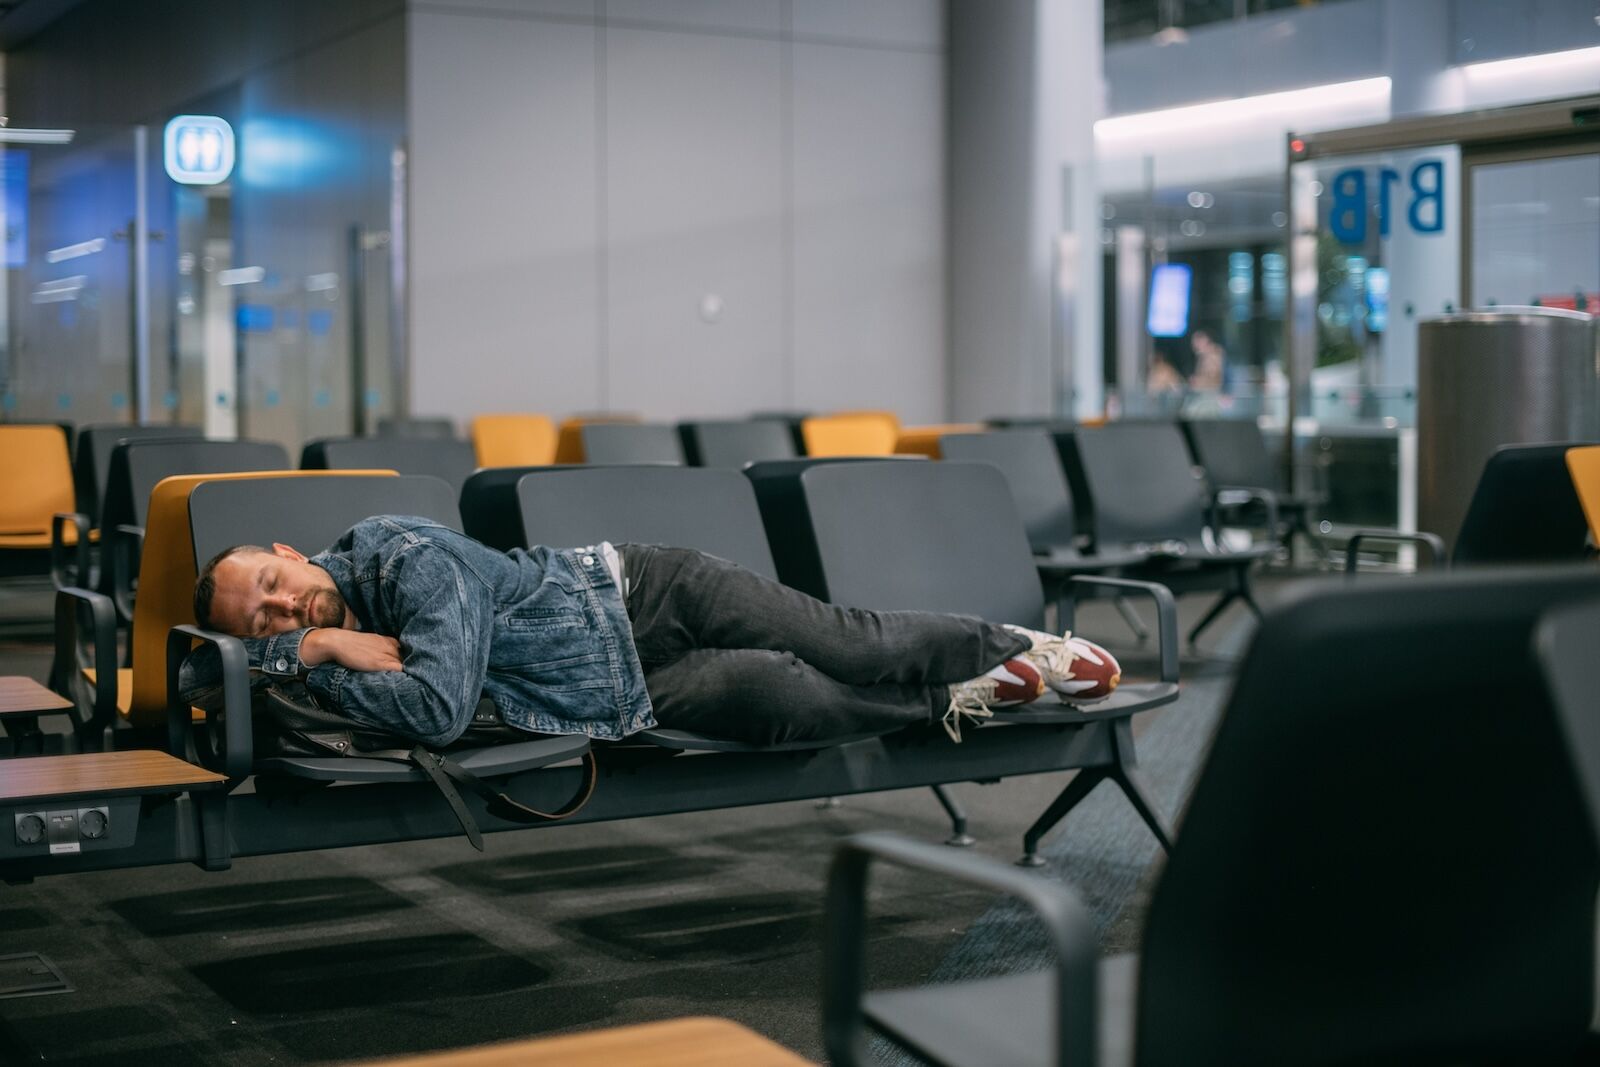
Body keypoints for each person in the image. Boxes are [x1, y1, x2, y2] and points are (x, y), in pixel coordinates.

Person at [180, 516, 1121, 750]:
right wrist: (314, 650)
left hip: (644, 596)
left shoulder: (397, 558)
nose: (281, 610)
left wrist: (312, 657)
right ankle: (949, 695)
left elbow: (432, 705)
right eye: (256, 621)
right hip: (616, 696)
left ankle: (1012, 642)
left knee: (846, 643)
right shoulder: (310, 639)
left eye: (273, 585)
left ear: (291, 552)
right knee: (786, 701)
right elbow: (210, 674)